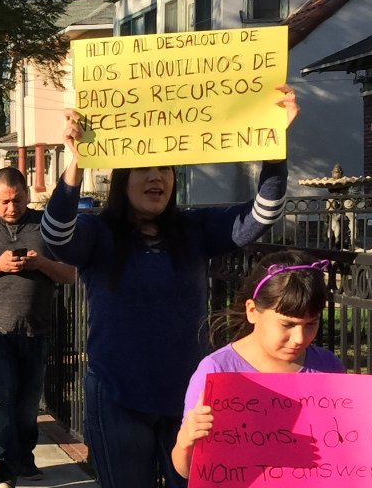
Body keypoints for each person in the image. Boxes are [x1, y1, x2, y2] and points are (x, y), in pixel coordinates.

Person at [41, 86, 298, 488]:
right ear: (122, 180)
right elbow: (56, 234)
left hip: (190, 399)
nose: (156, 176)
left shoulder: (195, 229)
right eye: (144, 168)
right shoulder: (99, 233)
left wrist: (274, 145)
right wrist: (76, 162)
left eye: (165, 168)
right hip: (117, 395)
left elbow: (262, 214)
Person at [171, 250, 372, 479]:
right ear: (252, 311)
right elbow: (187, 470)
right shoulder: (217, 370)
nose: (299, 338)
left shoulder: (327, 365)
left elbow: (353, 450)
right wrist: (186, 440)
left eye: (311, 324)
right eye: (287, 324)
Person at [0, 167, 76, 487]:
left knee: (27, 405)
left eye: (19, 200)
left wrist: (41, 264)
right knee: (1, 399)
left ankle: (24, 457)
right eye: (5, 201)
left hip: (37, 330)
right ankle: (1, 466)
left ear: (28, 195)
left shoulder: (43, 225)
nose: (12, 207)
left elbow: (70, 273)